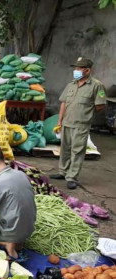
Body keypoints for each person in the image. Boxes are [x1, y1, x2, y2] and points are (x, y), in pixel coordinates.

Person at [50, 57, 106, 189]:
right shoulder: (71, 84)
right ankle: (62, 172)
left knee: (77, 151)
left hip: (81, 124)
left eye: (79, 68)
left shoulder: (96, 86)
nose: (76, 70)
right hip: (66, 122)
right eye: (75, 68)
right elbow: (63, 102)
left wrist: (86, 113)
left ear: (87, 70)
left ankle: (72, 177)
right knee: (65, 149)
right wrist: (60, 120)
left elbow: (100, 105)